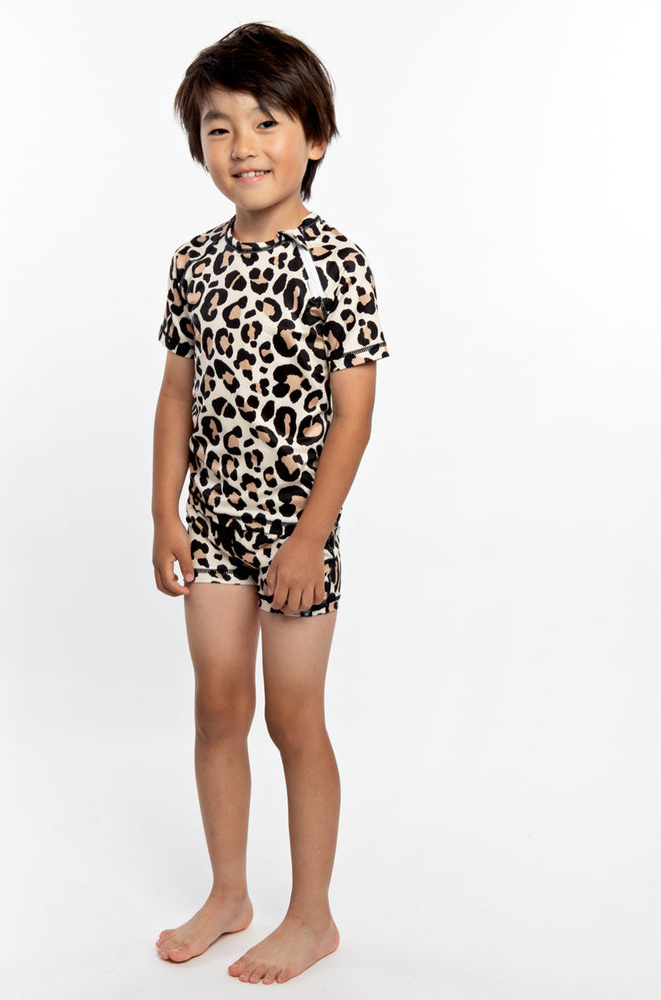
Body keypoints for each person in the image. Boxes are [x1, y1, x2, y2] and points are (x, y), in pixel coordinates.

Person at [151, 22, 389, 986]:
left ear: (315, 137)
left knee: (294, 719)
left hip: (298, 537)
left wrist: (308, 539)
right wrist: (164, 513)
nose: (242, 145)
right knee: (217, 706)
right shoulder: (193, 264)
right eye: (219, 128)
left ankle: (313, 916)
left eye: (266, 121)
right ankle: (229, 894)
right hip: (213, 526)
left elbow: (353, 417)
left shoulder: (337, 264)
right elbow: (176, 393)